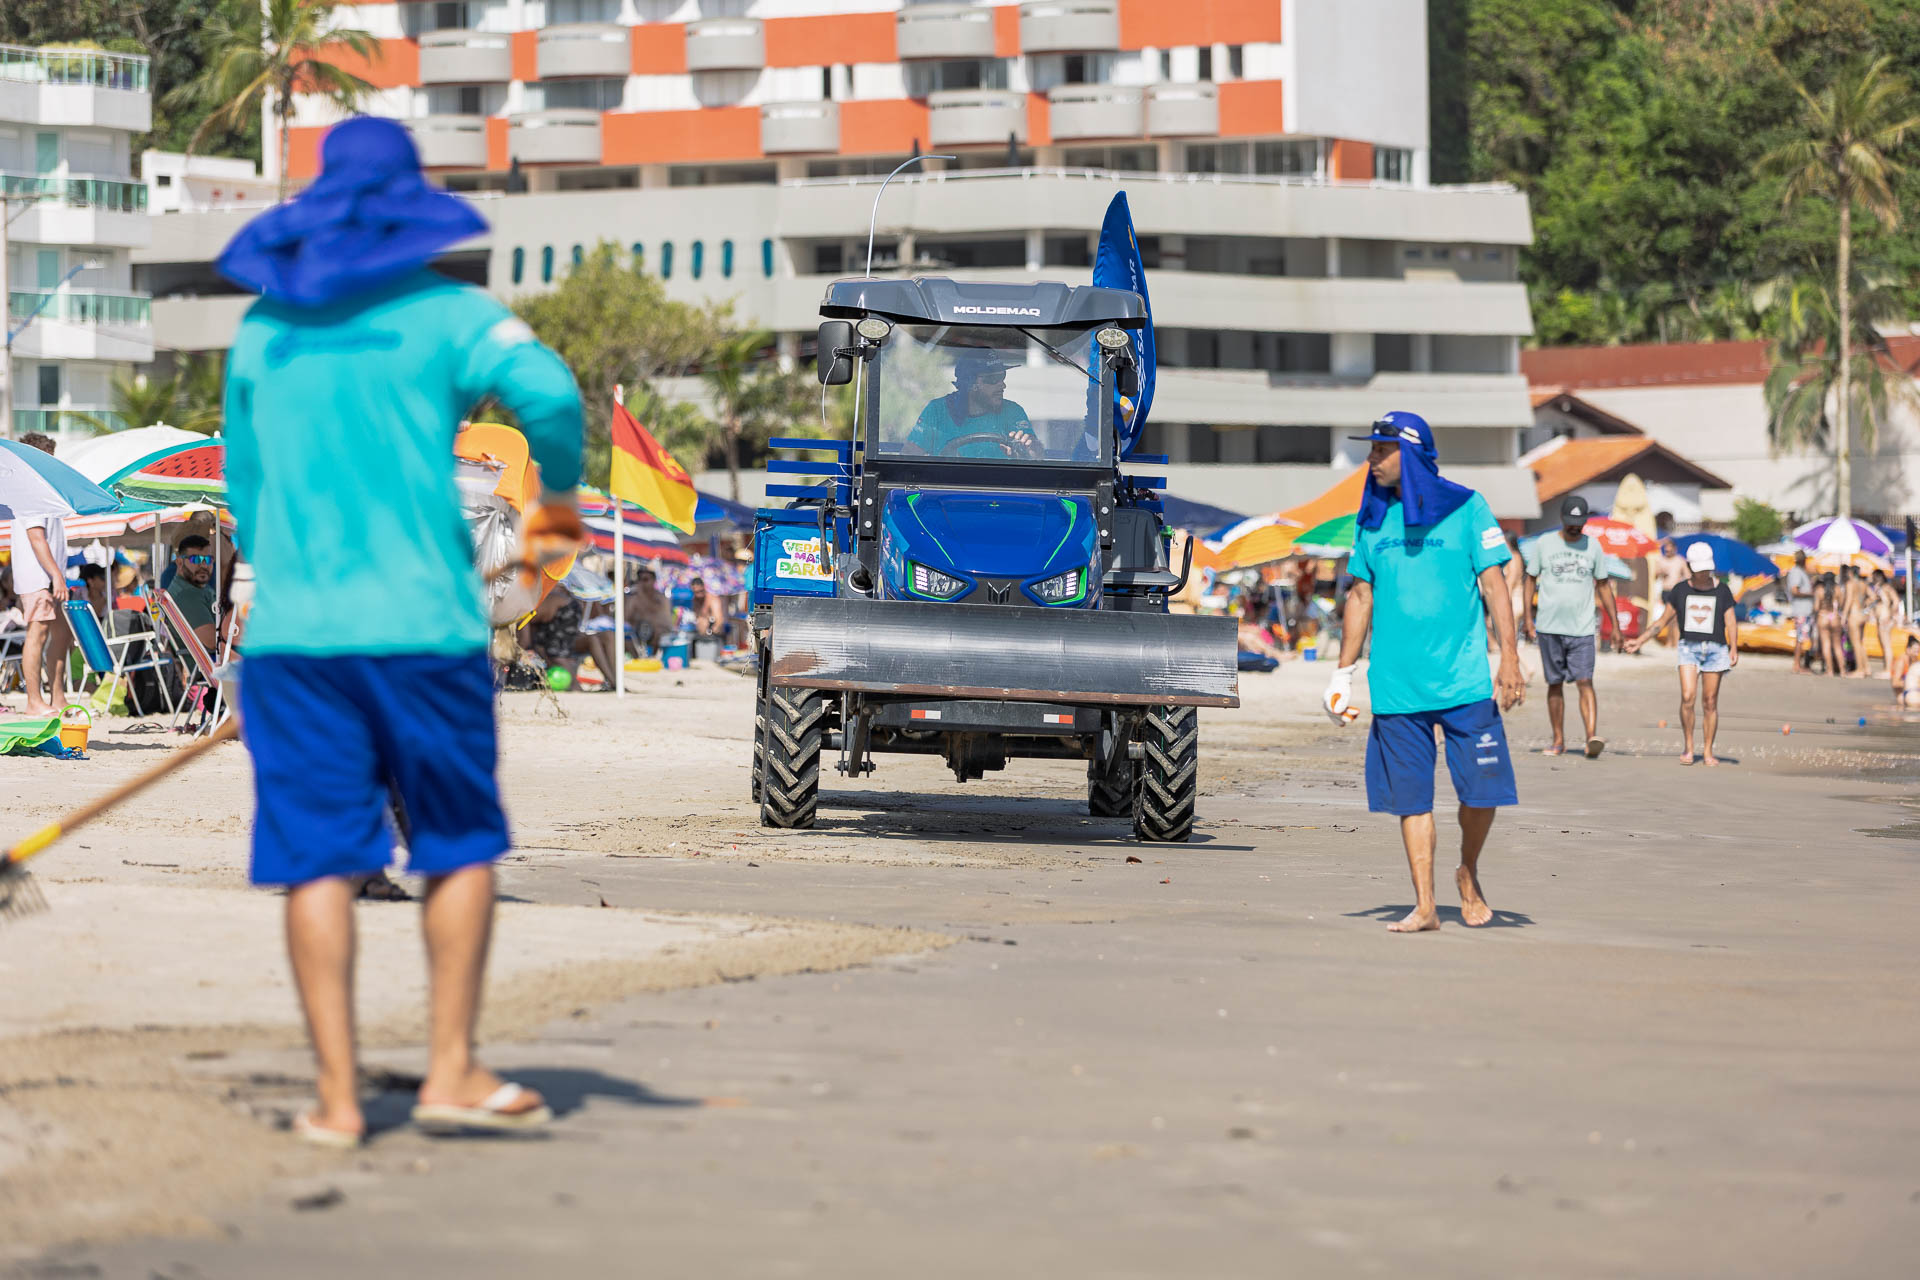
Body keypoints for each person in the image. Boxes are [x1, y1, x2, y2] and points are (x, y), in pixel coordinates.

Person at [217, 117, 585, 1147]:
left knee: (318, 862)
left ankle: (337, 1100)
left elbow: (247, 492)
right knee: (456, 843)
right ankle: (450, 1069)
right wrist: (557, 502)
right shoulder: (450, 314)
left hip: (295, 640)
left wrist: (293, 574)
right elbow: (551, 392)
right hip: (424, 631)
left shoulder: (261, 331)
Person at [1323, 412, 1525, 934]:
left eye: (1381, 449)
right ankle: (1426, 905)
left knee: (1482, 791)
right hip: (1396, 686)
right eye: (1371, 449)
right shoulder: (1372, 518)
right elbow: (1360, 595)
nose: (1371, 459)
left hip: (1464, 682)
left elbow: (1495, 584)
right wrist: (1341, 675)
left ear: (1410, 453)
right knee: (1411, 800)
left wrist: (1510, 657)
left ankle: (1468, 870)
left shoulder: (1468, 507)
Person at [1522, 495, 1618, 758]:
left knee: (1585, 681)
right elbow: (1530, 580)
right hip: (1549, 626)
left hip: (1582, 628)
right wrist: (1528, 619)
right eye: (1570, 522)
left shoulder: (1593, 546)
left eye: (1579, 523)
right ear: (1562, 519)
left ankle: (1591, 738)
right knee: (1554, 683)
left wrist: (1615, 625)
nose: (1575, 527)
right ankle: (1558, 741)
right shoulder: (1544, 544)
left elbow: (1603, 586)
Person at [1626, 542, 1738, 766]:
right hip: (1688, 648)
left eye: (1706, 569)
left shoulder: (1722, 590)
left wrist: (1733, 647)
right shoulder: (1680, 590)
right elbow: (1662, 621)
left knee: (1710, 702)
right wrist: (1640, 640)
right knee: (1688, 697)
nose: (1703, 574)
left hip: (1716, 649)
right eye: (1699, 569)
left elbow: (1731, 620)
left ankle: (1708, 751)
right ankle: (1688, 747)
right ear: (1691, 567)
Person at [8, 432, 73, 717]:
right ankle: (34, 701)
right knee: (38, 633)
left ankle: (57, 697)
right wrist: (56, 575)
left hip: (48, 576)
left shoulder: (43, 489)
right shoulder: (29, 489)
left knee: (62, 634)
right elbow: (36, 538)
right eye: (48, 457)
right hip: (38, 576)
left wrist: (58, 575)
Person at [906, 352, 1038, 457]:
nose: (1003, 385)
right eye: (993, 379)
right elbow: (909, 458)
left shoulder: (1013, 411)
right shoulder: (937, 411)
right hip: (948, 482)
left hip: (1000, 483)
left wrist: (1029, 450)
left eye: (1002, 376)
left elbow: (1037, 455)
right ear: (970, 384)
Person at [164, 534, 220, 652]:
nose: (204, 565)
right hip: (213, 660)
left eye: (208, 559)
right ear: (180, 563)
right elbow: (212, 641)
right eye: (196, 559)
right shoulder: (187, 595)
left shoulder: (198, 587)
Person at [623, 565, 675, 654]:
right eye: (640, 580)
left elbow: (665, 622)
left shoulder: (661, 599)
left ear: (653, 580)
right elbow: (625, 619)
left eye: (646, 579)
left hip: (658, 636)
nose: (643, 583)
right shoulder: (634, 599)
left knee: (658, 632)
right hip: (637, 635)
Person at [1785, 551, 1815, 673]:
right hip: (1801, 610)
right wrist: (1811, 594)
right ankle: (1797, 665)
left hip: (1804, 610)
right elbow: (1794, 591)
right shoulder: (1796, 572)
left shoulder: (1801, 571)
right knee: (1800, 638)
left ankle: (1799, 664)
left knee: (1802, 638)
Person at [1840, 564, 1872, 678]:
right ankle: (1866, 668)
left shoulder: (1850, 583)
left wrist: (1844, 616)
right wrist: (1866, 606)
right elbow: (1873, 597)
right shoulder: (1863, 583)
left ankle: (1860, 670)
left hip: (1853, 615)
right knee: (1860, 643)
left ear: (1850, 573)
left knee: (1856, 643)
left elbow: (1849, 600)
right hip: (1862, 614)